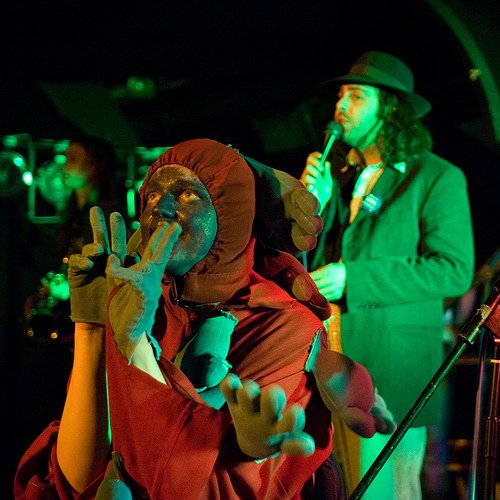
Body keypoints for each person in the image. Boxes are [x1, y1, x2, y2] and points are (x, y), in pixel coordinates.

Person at [14, 138, 395, 499]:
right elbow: (75, 482)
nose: (160, 209)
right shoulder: (141, 299)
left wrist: (137, 349)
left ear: (230, 213)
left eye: (186, 195)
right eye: (151, 197)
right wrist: (91, 327)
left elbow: (190, 486)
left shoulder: (283, 325)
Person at [300, 51, 474, 499]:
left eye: (357, 96)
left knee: (384, 490)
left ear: (390, 109)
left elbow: (454, 269)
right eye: (341, 95)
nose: (341, 105)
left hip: (389, 374)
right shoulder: (343, 178)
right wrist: (313, 207)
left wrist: (354, 278)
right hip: (330, 362)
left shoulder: (435, 177)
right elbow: (315, 261)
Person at [23, 135, 126, 343]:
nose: (64, 166)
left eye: (72, 159)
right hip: (69, 322)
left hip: (94, 324)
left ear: (93, 166)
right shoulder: (71, 216)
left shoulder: (110, 216)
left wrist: (68, 288)